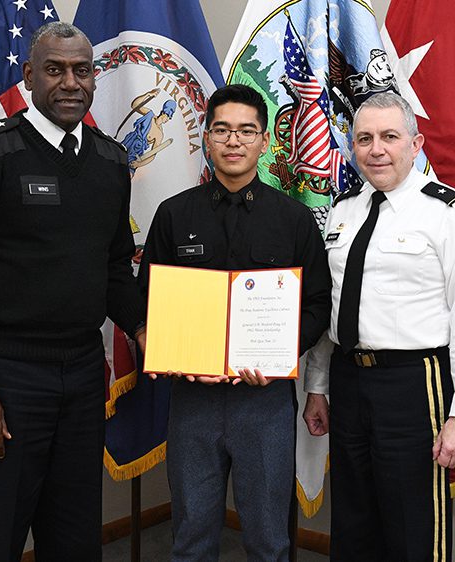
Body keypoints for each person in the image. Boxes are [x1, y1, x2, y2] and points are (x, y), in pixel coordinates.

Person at [0, 21, 145, 561]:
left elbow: (115, 265)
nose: (70, 83)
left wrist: (143, 325)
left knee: (73, 539)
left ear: (94, 79)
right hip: (7, 378)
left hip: (84, 376)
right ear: (28, 77)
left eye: (81, 71)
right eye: (54, 70)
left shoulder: (113, 162)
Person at [137, 84, 331, 562]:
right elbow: (149, 301)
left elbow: (318, 305)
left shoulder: (294, 220)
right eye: (222, 129)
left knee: (268, 540)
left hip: (262, 402)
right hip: (192, 400)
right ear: (206, 138)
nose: (233, 141)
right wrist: (165, 346)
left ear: (264, 142)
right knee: (191, 536)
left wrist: (279, 353)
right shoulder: (174, 215)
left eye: (246, 130)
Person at [303, 92, 455, 561]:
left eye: (390, 136)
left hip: (413, 384)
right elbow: (334, 309)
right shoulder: (343, 211)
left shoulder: (449, 211)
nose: (376, 149)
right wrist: (318, 386)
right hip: (349, 380)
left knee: (413, 526)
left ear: (415, 143)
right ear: (351, 147)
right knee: (352, 520)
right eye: (364, 138)